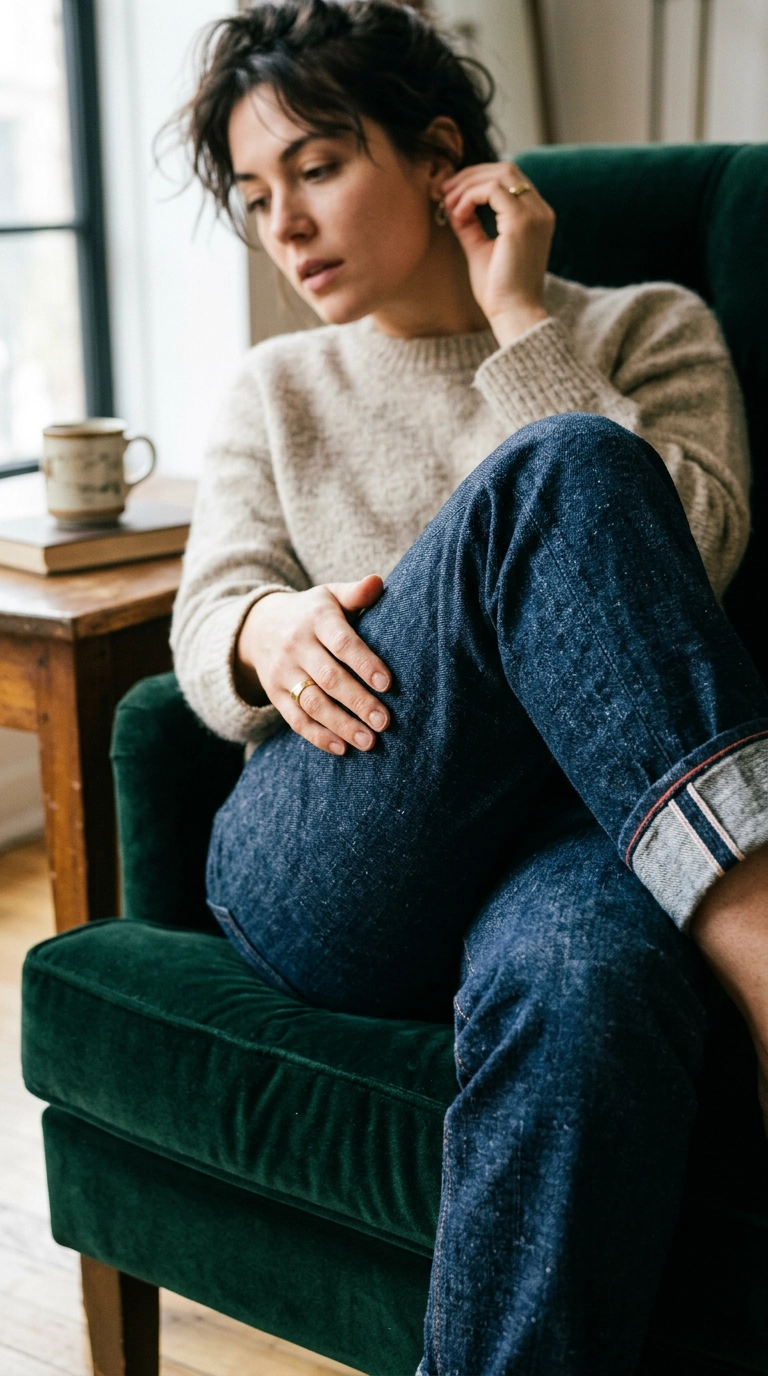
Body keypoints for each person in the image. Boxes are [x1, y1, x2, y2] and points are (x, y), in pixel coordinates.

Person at [170, 2, 768, 1370]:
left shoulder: (649, 328)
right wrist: (266, 631)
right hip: (339, 839)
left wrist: (519, 329)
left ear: (444, 157)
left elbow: (695, 559)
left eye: (317, 167)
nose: (286, 226)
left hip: (584, 846)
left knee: (590, 985)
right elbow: (206, 613)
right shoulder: (276, 385)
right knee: (557, 473)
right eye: (258, 196)